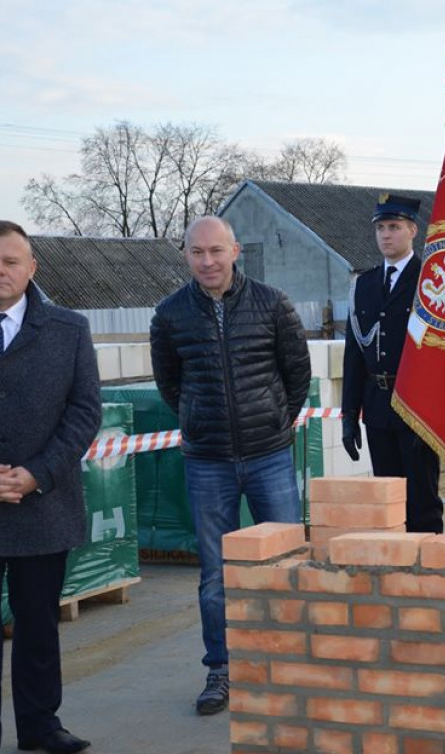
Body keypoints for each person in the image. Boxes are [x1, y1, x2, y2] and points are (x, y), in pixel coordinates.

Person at [0, 220, 102, 754]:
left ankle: (40, 724)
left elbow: (85, 412)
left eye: (11, 261)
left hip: (44, 504)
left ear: (32, 268)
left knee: (39, 627)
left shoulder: (68, 328)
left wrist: (37, 472)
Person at [150, 216, 311, 715]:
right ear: (185, 255)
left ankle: (287, 664)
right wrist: (203, 423)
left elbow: (296, 373)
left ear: (235, 249)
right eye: (197, 252)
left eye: (216, 251)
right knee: (216, 575)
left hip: (269, 457)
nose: (207, 261)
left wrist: (272, 424)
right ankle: (222, 670)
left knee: (285, 563)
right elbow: (170, 385)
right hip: (209, 464)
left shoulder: (272, 303)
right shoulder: (170, 315)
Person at [342, 194, 444, 533]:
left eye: (395, 227)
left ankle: (428, 571)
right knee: (388, 499)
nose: (386, 235)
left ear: (413, 230)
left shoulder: (431, 280)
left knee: (422, 500)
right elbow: (354, 355)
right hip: (377, 404)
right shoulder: (364, 285)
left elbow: (443, 351)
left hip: (418, 404)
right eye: (381, 228)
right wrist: (348, 416)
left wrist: (434, 410)